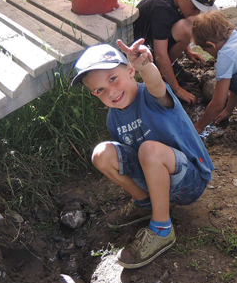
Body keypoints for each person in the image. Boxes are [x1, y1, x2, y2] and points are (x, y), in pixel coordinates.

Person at [71, 40, 214, 269]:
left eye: (113, 79)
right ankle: (145, 203)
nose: (111, 91)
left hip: (189, 180)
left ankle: (162, 229)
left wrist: (145, 66)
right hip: (156, 177)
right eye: (100, 90)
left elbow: (155, 82)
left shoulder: (151, 95)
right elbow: (128, 158)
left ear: (130, 71)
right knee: (101, 154)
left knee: (149, 149)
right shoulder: (113, 119)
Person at [133, 0, 220, 104]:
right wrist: (177, 89)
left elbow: (174, 23)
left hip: (159, 41)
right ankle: (164, 74)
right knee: (187, 27)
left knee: (191, 22)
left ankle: (171, 67)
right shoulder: (162, 8)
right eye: (195, 7)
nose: (197, 12)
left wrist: (188, 51)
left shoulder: (177, 1)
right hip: (145, 54)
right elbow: (160, 54)